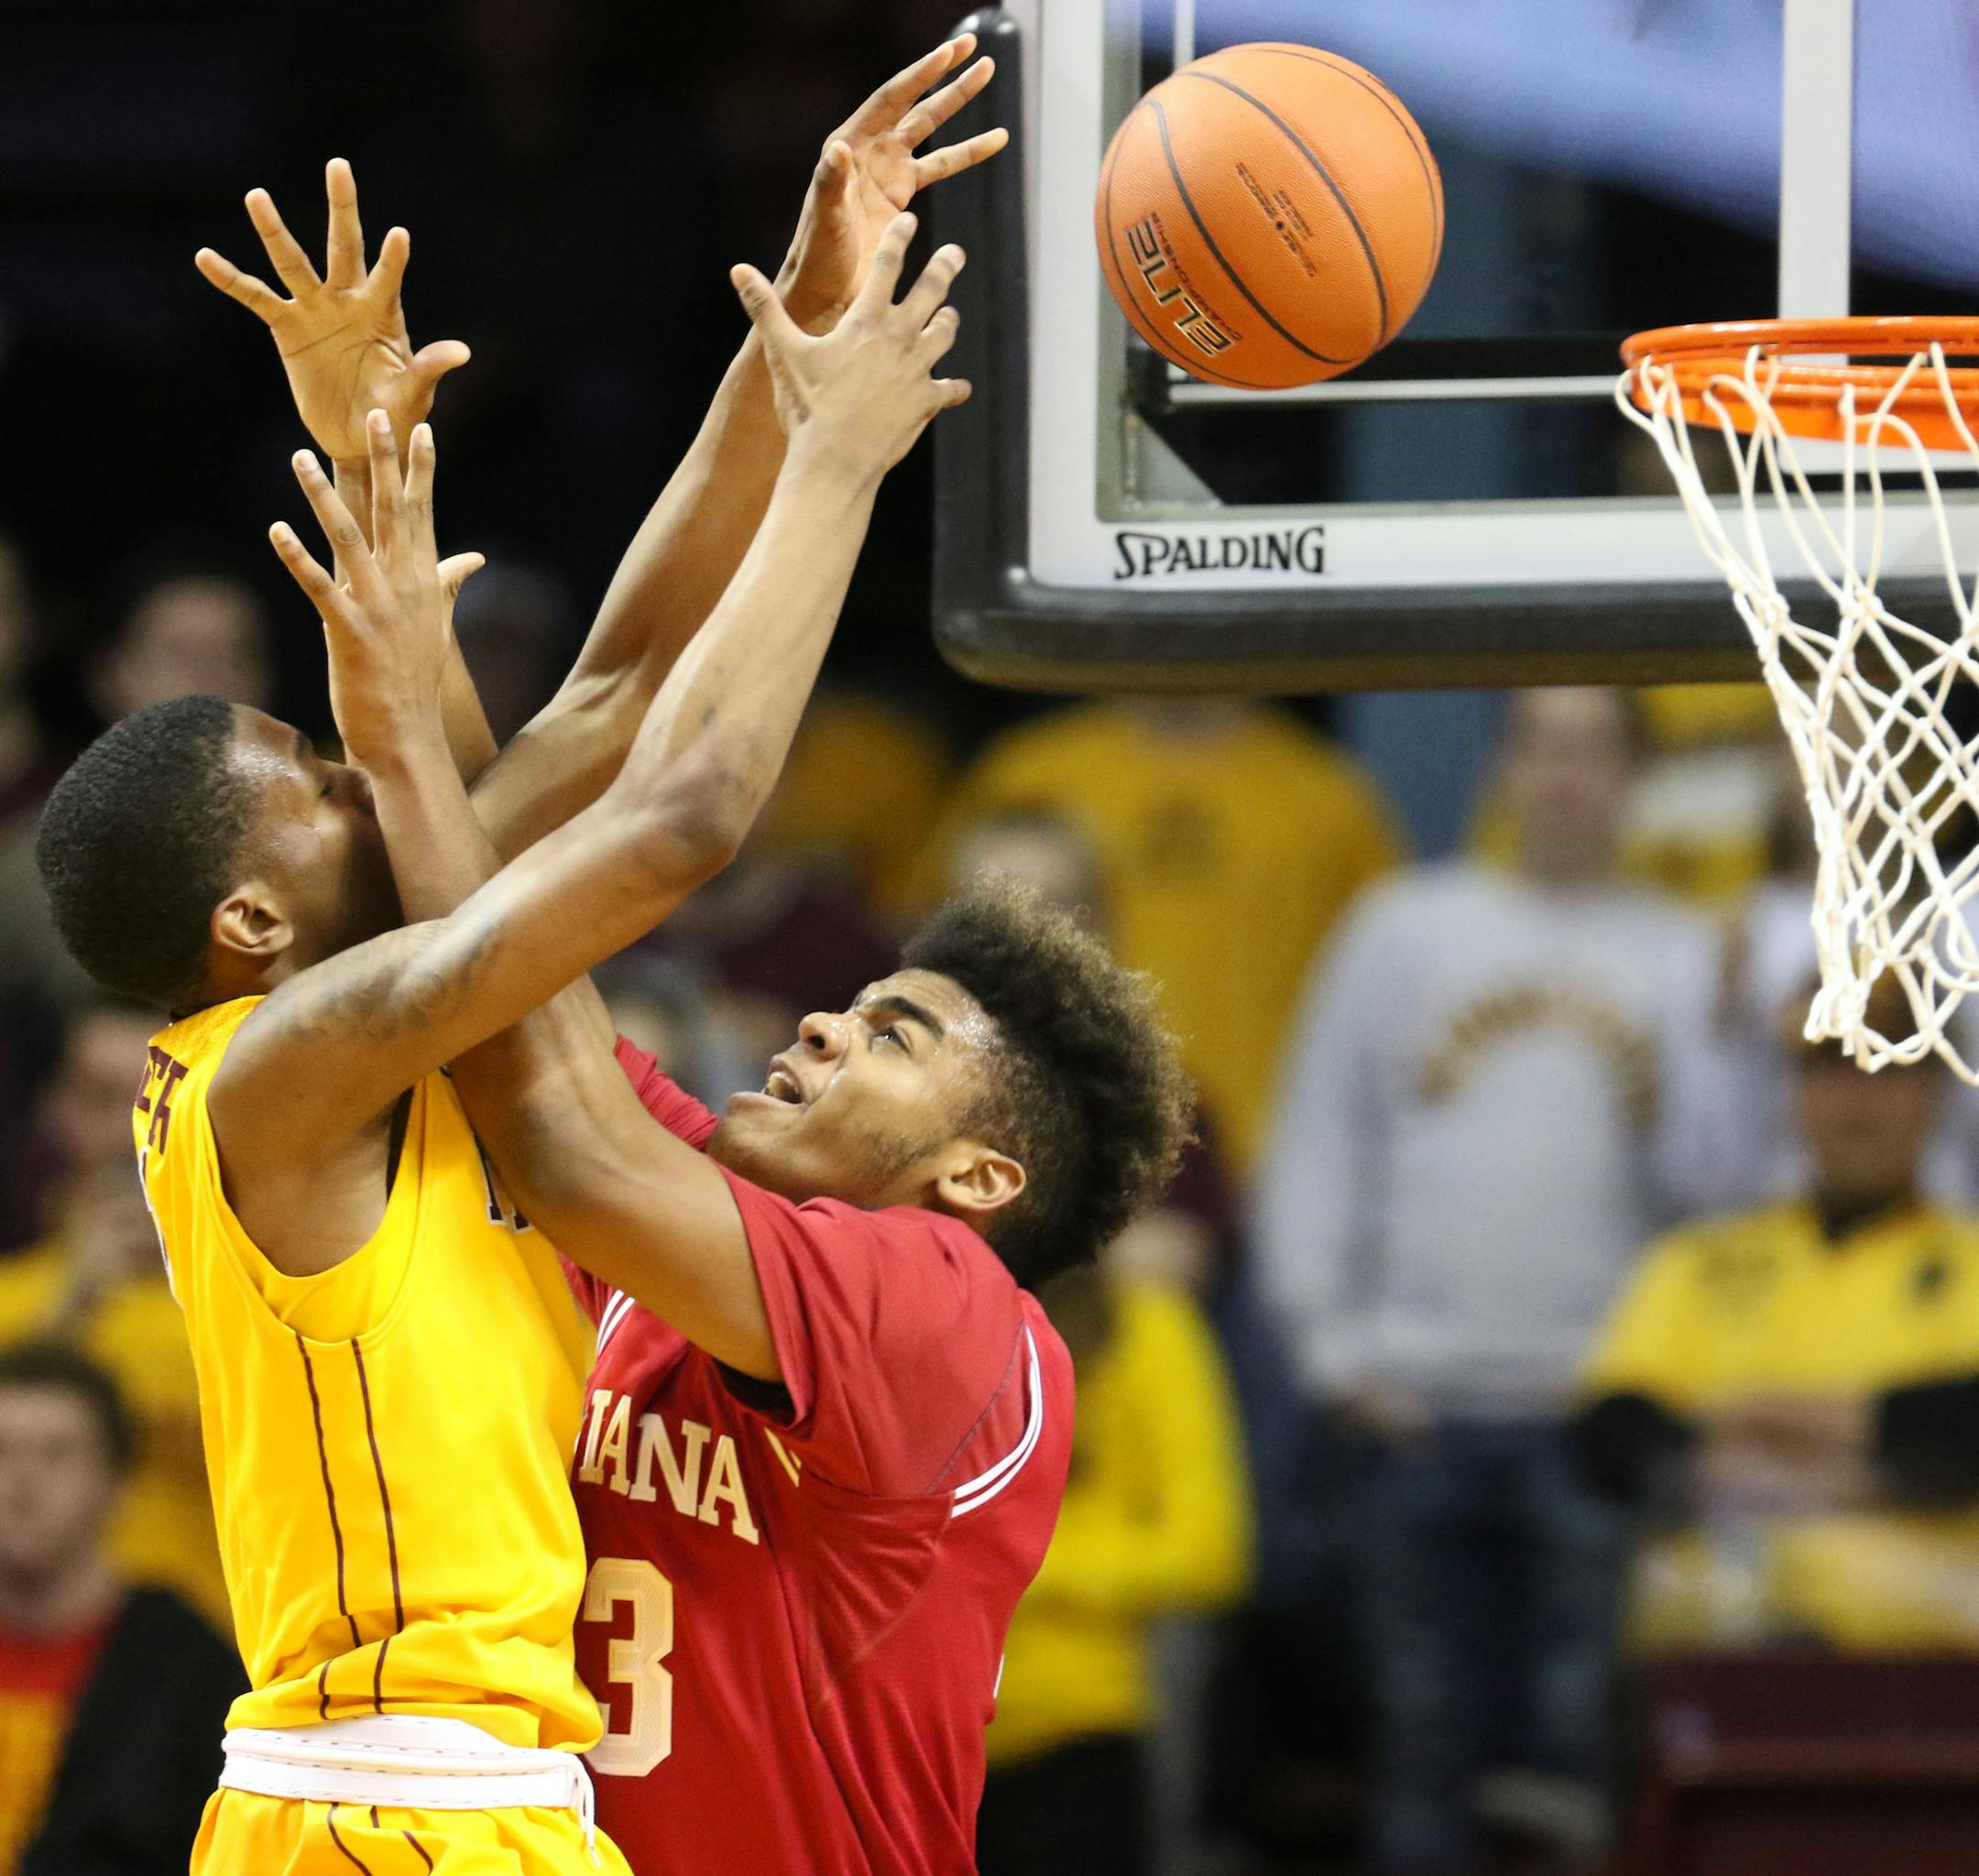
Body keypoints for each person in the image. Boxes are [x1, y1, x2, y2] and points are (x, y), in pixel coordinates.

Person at [33, 39, 1000, 1874]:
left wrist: (810, 299)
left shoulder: (377, 979)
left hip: (446, 1808)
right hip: (393, 1807)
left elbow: (631, 687)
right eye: (315, 783)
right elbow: (688, 815)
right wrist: (843, 472)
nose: (357, 767)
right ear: (251, 922)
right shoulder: (284, 1069)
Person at [1257, 688, 1751, 1873]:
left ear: (1638, 777)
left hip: (1599, 1420)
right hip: (1417, 1410)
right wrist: (1336, 1357)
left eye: (1596, 748)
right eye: (1542, 745)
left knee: (1591, 1760)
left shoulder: (1688, 953)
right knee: (1422, 1752)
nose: (1567, 773)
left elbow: (1719, 1193)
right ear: (1500, 768)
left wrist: (1670, 1391)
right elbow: (1322, 1145)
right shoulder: (1404, 930)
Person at [1578, 983, 1979, 1653]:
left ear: (1935, 1095)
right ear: (1793, 1094)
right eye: (1830, 1071)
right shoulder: (1697, 1262)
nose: (1857, 1106)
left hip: (1931, 1664)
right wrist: (1885, 1458)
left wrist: (1757, 1421)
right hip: (1717, 1660)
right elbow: (1614, 1434)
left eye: (1890, 1072)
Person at [924, 696, 1405, 1175]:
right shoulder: (1026, 773)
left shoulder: (1328, 796)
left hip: (1270, 1161)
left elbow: (1381, 999)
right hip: (1052, 1131)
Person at [0, 999, 226, 1631]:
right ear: (56, 1111)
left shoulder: (264, 1303)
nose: (133, 1132)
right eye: (105, 1098)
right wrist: (75, 1304)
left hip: (210, 1669)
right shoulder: (13, 1304)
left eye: (157, 1101)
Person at [0, 1341, 240, 1876]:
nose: (23, 1483)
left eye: (57, 1454)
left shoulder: (193, 1677)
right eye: (2, 1451)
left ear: (117, 1481)